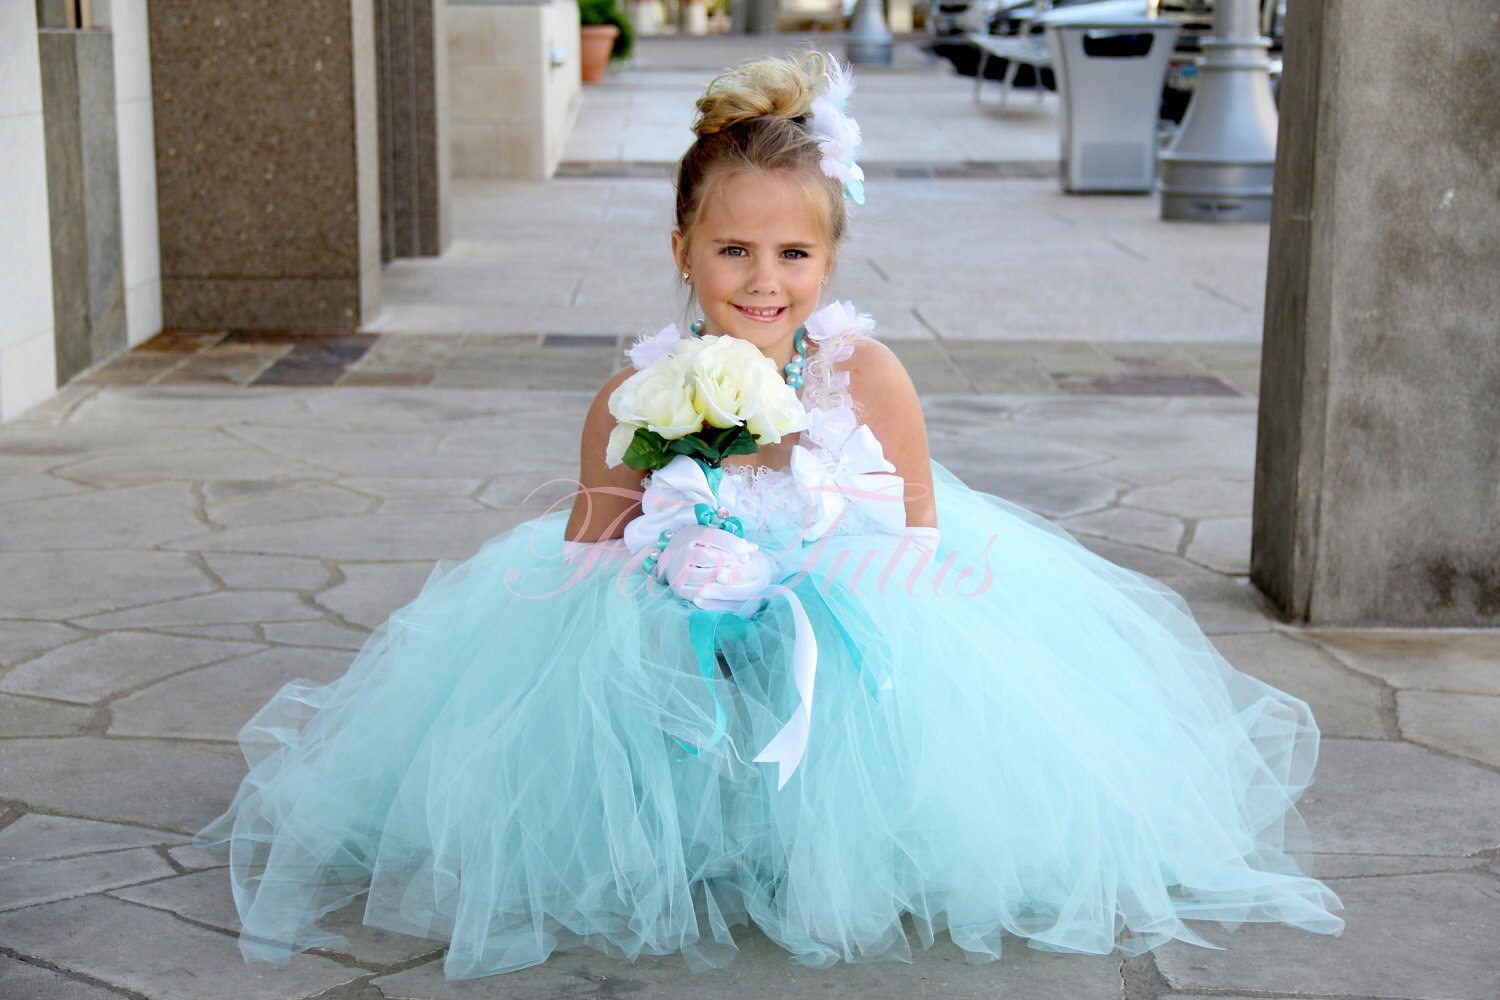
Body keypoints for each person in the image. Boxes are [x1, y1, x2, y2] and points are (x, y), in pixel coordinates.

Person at [200, 53, 1343, 980]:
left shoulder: (866, 375)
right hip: (674, 615)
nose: (763, 280)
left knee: (855, 691)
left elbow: (919, 526)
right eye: (731, 249)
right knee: (642, 680)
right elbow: (587, 549)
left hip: (859, 608)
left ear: (830, 255)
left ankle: (832, 834)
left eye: (793, 252)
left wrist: (819, 535)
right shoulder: (636, 392)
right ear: (684, 250)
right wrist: (669, 554)